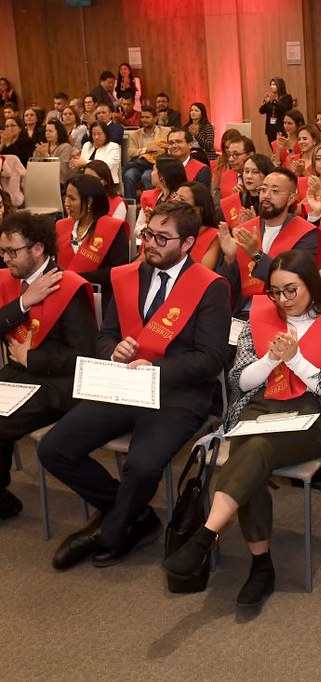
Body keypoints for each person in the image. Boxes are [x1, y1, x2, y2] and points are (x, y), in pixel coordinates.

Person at [162, 249, 321, 606]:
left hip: (315, 417)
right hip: (261, 406)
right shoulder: (259, 319)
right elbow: (239, 382)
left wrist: (296, 359)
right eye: (275, 292)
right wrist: (271, 359)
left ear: (311, 286)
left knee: (253, 448)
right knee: (252, 451)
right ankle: (258, 563)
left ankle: (216, 540)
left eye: (292, 290)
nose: (283, 300)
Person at [39, 201, 231, 570]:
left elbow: (211, 358)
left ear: (188, 242)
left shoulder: (209, 287)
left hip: (180, 392)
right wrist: (114, 350)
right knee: (54, 448)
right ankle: (133, 515)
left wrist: (158, 367)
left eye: (162, 238)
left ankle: (113, 530)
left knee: (142, 466)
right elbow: (106, 335)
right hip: (126, 382)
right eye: (148, 234)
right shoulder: (129, 275)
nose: (150, 244)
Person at [0, 211, 97, 521]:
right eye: (2, 251)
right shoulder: (12, 282)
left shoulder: (69, 287)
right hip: (20, 374)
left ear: (37, 248)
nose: (5, 259)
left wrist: (33, 359)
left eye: (11, 251)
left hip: (57, 385)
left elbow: (85, 356)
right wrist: (25, 303)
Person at [217, 168, 321, 319]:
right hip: (244, 312)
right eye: (263, 189)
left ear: (291, 199)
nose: (266, 196)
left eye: (275, 191)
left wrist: (256, 254)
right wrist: (229, 258)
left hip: (285, 312)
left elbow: (296, 282)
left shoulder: (306, 233)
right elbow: (230, 287)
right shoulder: (246, 230)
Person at [57, 174, 130, 302]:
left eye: (72, 199)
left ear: (89, 201)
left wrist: (76, 278)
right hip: (63, 295)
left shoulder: (113, 228)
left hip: (99, 296)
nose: (66, 203)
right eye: (66, 198)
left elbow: (117, 271)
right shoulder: (61, 226)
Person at [172, 181, 223, 271]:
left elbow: (204, 273)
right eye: (175, 196)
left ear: (198, 209)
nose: (174, 201)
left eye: (182, 199)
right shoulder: (170, 230)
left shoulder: (214, 236)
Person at [123, 107, 171, 200]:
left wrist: (164, 151)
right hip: (141, 163)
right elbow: (130, 152)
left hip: (156, 164)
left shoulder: (165, 131)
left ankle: (152, 203)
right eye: (142, 117)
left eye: (147, 117)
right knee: (129, 175)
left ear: (155, 118)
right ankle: (130, 205)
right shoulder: (135, 134)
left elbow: (170, 147)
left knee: (146, 176)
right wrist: (146, 149)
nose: (144, 120)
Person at [32, 119, 74, 187]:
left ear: (59, 132)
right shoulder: (42, 146)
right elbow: (34, 167)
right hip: (41, 181)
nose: (47, 133)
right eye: (46, 131)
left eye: (51, 131)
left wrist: (46, 155)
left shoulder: (65, 147)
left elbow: (61, 171)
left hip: (59, 184)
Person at [259, 78, 293, 147]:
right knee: (274, 149)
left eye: (274, 85)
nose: (272, 86)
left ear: (280, 85)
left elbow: (284, 110)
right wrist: (266, 102)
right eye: (271, 84)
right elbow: (261, 111)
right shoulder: (270, 98)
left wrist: (274, 101)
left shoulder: (287, 98)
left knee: (282, 148)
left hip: (281, 127)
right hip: (270, 128)